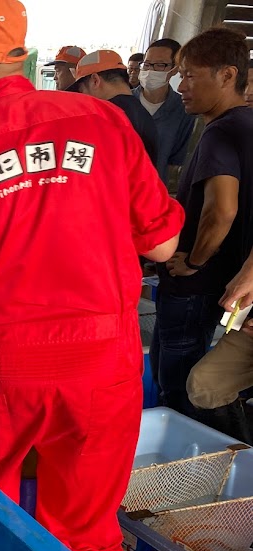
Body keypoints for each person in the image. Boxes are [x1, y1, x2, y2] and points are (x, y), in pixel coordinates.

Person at [0, 0, 183, 551]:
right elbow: (161, 247)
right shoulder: (103, 123)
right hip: (104, 361)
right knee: (84, 535)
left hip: (2, 365)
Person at [153, 27, 253, 429]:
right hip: (222, 282)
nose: (180, 86)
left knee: (175, 388)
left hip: (195, 283)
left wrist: (194, 261)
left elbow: (221, 211)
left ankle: (179, 466)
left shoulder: (221, 131)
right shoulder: (247, 125)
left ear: (227, 75)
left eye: (190, 75)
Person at [69, 50, 159, 167]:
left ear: (95, 81)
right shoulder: (144, 116)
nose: (82, 97)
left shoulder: (106, 117)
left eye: (82, 90)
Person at [134, 38, 195, 188]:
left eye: (160, 65)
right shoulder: (123, 103)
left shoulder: (184, 110)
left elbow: (176, 162)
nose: (150, 70)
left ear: (175, 69)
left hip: (154, 192)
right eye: (147, 64)